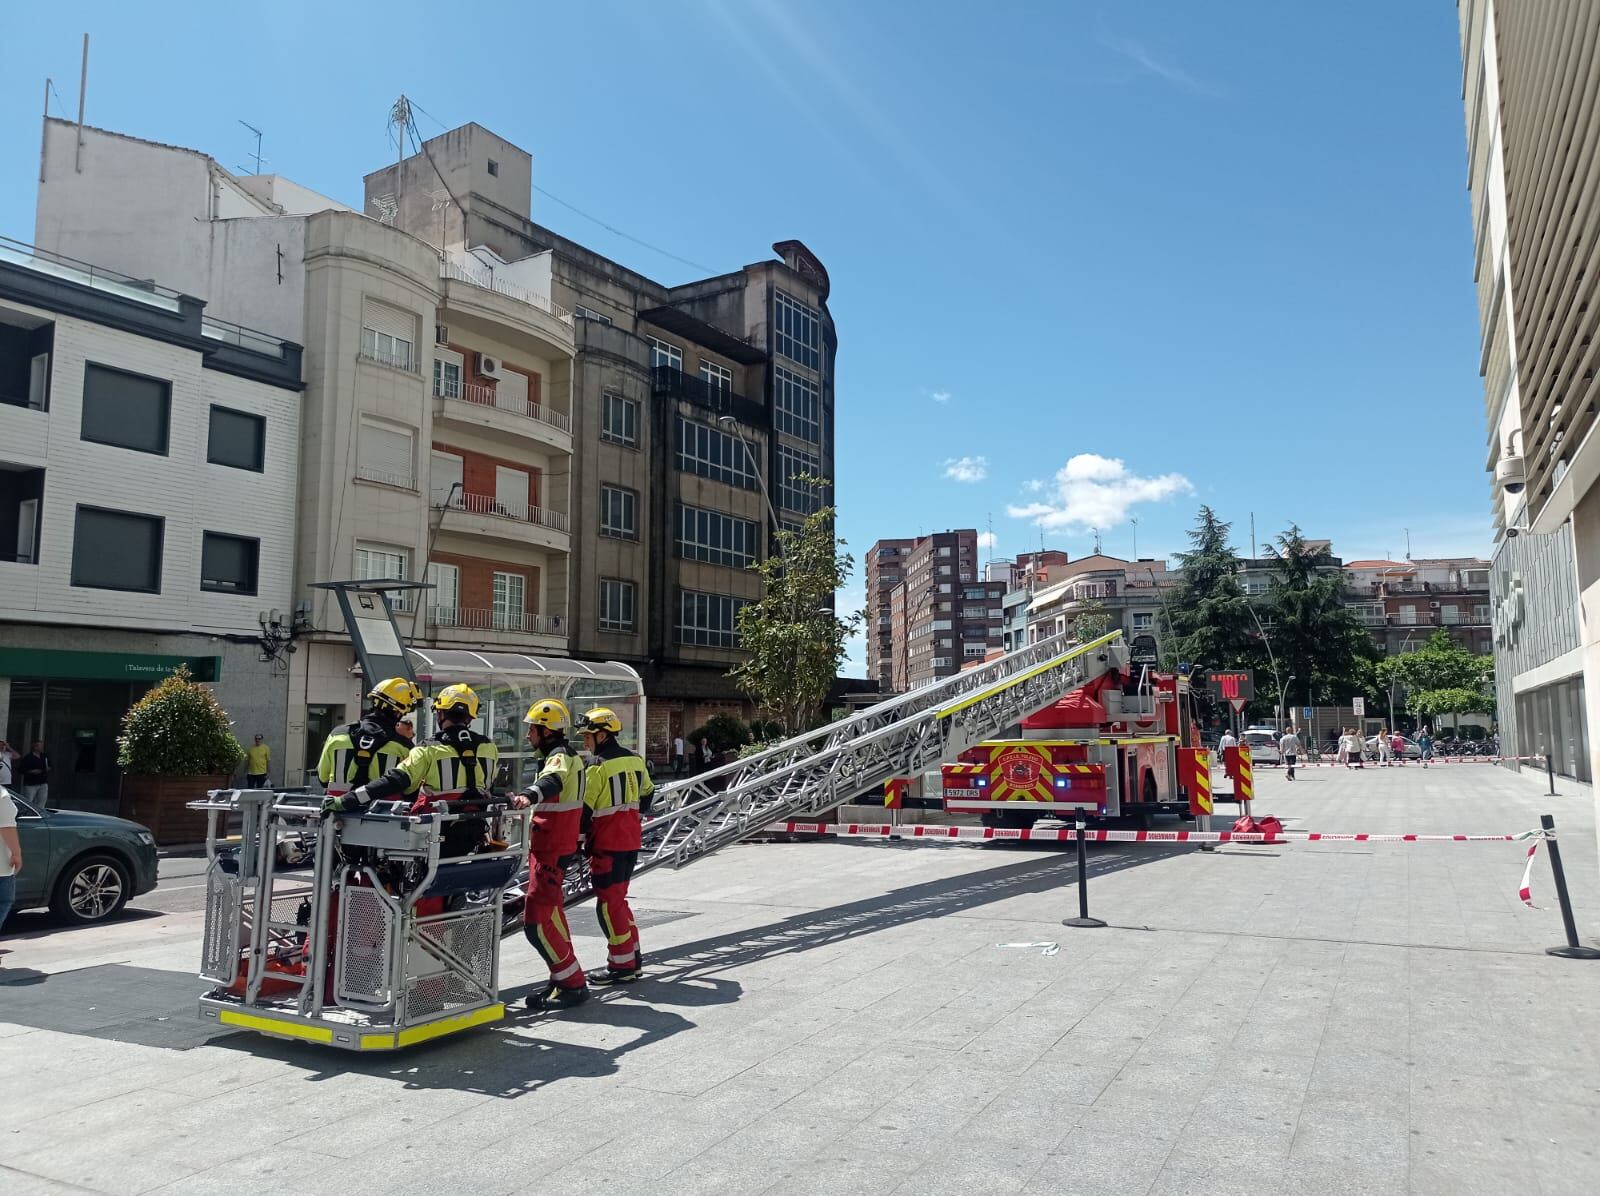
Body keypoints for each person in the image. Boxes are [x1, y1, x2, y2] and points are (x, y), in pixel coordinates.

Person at [333, 683, 500, 852]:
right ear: (470, 717)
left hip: (433, 837)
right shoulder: (489, 747)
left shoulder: (428, 748)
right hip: (473, 833)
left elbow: (397, 780)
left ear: (440, 713)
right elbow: (488, 786)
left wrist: (348, 799)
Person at [510, 698, 590, 1011]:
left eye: (533, 728)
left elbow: (550, 782)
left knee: (536, 922)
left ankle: (572, 984)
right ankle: (563, 979)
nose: (528, 734)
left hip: (552, 849)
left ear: (547, 731)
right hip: (553, 846)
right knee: (553, 915)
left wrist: (526, 797)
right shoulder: (565, 755)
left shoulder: (559, 757)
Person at [576, 706, 655, 985]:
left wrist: (576, 843)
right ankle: (633, 959)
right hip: (631, 840)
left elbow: (584, 811)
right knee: (618, 901)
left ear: (602, 735)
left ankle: (621, 967)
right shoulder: (635, 760)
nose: (585, 741)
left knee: (608, 905)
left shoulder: (597, 765)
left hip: (607, 844)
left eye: (588, 735)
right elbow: (648, 794)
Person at [317, 678, 422, 801]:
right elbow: (411, 788)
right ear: (399, 712)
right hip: (384, 816)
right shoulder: (403, 746)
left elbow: (323, 778)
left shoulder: (337, 735)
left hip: (337, 814)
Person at [0, 784, 20, 951]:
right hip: (0, 864)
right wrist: (16, 854)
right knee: (4, 900)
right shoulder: (2, 796)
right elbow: (7, 827)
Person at [17, 741, 49, 809]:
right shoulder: (28, 758)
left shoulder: (44, 756)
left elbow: (50, 766)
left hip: (43, 782)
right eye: (40, 746)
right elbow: (21, 769)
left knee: (42, 801)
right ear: (35, 747)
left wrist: (47, 769)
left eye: (42, 746)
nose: (42, 748)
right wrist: (31, 771)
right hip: (31, 783)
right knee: (28, 801)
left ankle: (40, 814)